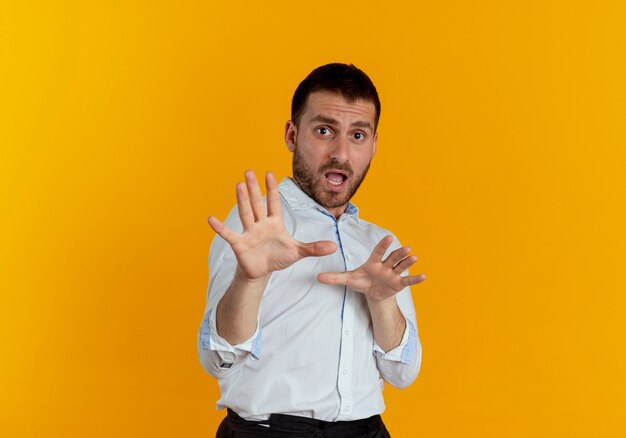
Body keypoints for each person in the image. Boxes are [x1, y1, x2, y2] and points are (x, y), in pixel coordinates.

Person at [198, 63, 426, 437]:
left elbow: (402, 374)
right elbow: (216, 361)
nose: (340, 152)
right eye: (324, 131)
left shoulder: (380, 244)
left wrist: (383, 300)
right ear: (292, 134)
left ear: (373, 144)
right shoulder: (255, 226)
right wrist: (249, 278)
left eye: (357, 135)